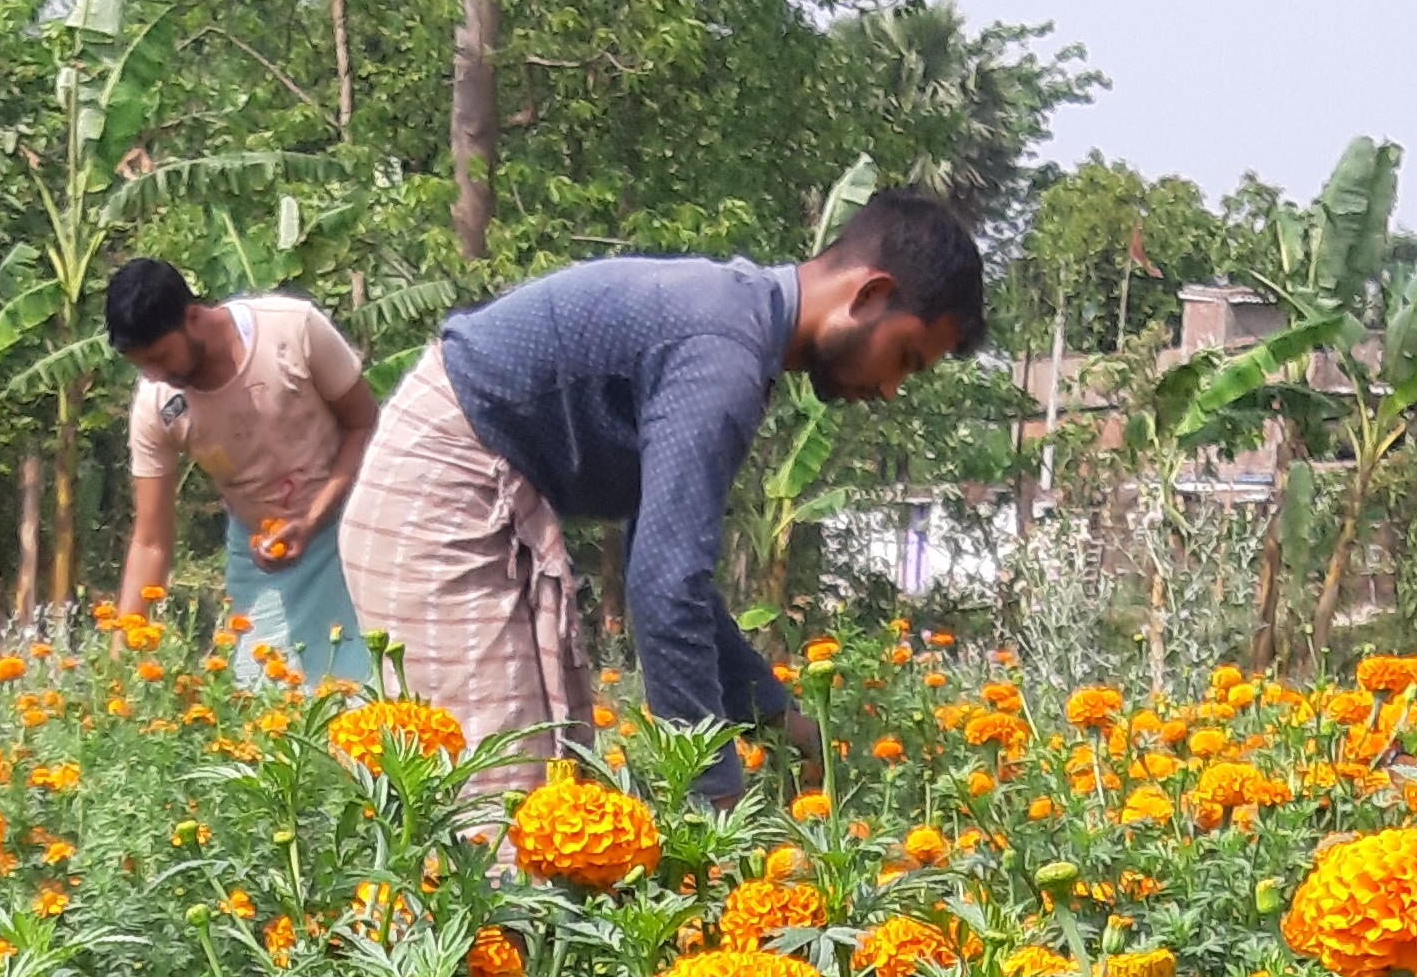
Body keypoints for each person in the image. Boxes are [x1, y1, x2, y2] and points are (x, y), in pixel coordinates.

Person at [334, 190, 992, 802]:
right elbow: (664, 587)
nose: (889, 391)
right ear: (871, 294)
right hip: (441, 481)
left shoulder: (739, 330)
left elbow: (672, 569)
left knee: (558, 790)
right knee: (498, 805)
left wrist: (767, 711)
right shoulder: (724, 352)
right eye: (905, 358)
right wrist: (713, 807)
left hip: (482, 475)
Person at [109, 259, 374, 682]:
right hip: (263, 553)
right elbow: (150, 541)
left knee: (367, 686)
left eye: (160, 357)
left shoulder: (292, 330)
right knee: (262, 697)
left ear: (192, 317)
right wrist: (122, 652)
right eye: (143, 366)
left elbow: (363, 424)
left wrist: (311, 520)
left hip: (351, 525)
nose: (156, 375)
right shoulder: (157, 406)